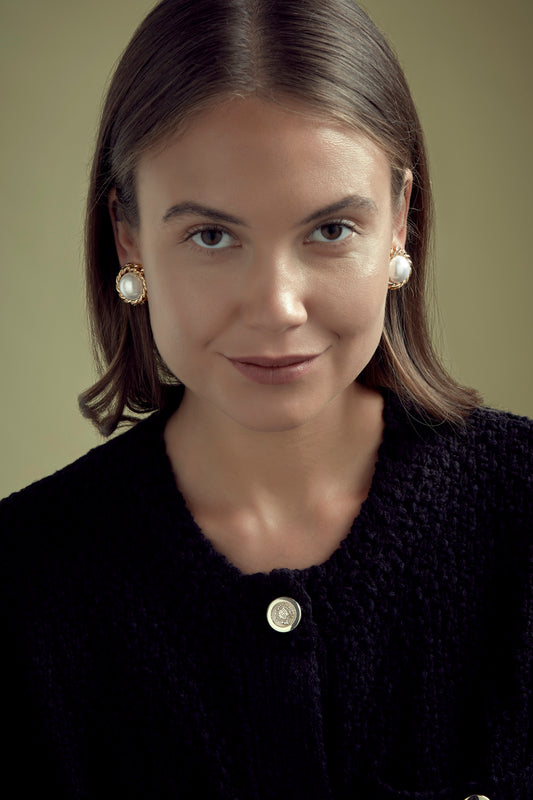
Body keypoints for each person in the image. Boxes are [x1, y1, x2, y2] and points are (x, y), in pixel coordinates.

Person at [1, 0, 531, 797]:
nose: (278, 305)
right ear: (129, 237)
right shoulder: (22, 585)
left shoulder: (521, 512)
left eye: (329, 232)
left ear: (399, 222)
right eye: (212, 237)